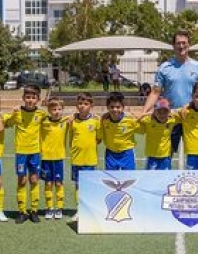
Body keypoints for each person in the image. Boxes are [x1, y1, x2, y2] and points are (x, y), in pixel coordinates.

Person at [143, 30, 198, 154]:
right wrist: (144, 112)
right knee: (166, 154)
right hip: (171, 117)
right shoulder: (164, 67)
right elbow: (155, 92)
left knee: (195, 154)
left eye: (184, 43)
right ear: (173, 46)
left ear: (189, 45)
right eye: (178, 43)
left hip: (193, 117)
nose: (181, 46)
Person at [5, 85, 47, 224]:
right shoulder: (17, 113)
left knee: (34, 180)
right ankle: (22, 211)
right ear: (23, 98)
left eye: (33, 97)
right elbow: (7, 124)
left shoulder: (41, 114)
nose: (30, 100)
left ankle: (34, 210)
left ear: (38, 99)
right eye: (27, 97)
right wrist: (12, 114)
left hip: (35, 152)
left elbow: (54, 118)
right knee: (22, 181)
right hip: (21, 152)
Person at [68, 93, 100, 223]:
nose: (82, 106)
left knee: (89, 186)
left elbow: (98, 139)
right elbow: (71, 139)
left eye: (86, 104)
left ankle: (89, 210)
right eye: (80, 103)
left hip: (90, 159)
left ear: (91, 106)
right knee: (78, 185)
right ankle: (79, 210)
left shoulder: (96, 121)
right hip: (76, 159)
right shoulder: (72, 121)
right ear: (76, 105)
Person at [40, 97, 69, 220]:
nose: (56, 111)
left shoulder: (66, 121)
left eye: (59, 109)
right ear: (49, 110)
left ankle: (59, 207)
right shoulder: (43, 122)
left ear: (62, 110)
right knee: (48, 183)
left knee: (58, 183)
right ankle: (49, 207)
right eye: (53, 109)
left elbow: (79, 116)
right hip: (46, 158)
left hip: (59, 158)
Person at [100, 92, 138, 171]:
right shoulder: (103, 120)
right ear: (107, 107)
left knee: (129, 179)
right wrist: (75, 115)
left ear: (123, 107)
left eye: (118, 107)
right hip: (110, 154)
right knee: (112, 180)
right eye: (112, 107)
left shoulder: (130, 120)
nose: (115, 110)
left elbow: (146, 123)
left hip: (127, 154)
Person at [137, 97, 177, 170]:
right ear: (155, 112)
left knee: (166, 178)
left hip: (166, 157)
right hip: (152, 157)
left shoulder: (172, 119)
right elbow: (136, 118)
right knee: (151, 179)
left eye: (165, 112)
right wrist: (144, 114)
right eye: (159, 112)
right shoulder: (148, 120)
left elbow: (182, 111)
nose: (162, 115)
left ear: (169, 112)